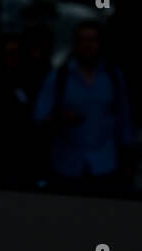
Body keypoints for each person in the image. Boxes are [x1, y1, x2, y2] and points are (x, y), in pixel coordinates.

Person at [33, 20, 134, 193]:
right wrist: (60, 118)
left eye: (93, 40)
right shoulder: (59, 77)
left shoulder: (113, 77)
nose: (88, 45)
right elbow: (39, 117)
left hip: (106, 163)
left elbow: (124, 119)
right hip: (67, 164)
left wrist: (128, 157)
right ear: (75, 44)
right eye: (83, 40)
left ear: (100, 44)